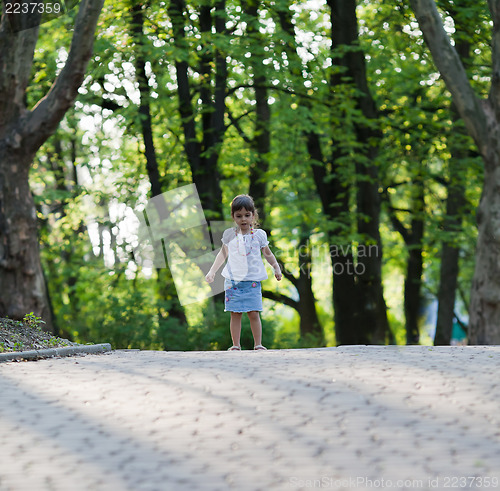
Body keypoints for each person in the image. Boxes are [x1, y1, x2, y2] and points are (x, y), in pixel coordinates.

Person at [205, 194, 282, 351]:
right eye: (239, 216)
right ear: (233, 217)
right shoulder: (229, 235)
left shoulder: (259, 235)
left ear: (253, 215)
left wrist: (276, 267)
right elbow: (222, 254)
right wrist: (212, 271)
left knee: (254, 313)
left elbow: (267, 253)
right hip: (233, 281)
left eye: (247, 215)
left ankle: (258, 344)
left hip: (252, 281)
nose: (243, 219)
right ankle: (236, 345)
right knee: (235, 313)